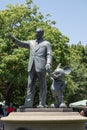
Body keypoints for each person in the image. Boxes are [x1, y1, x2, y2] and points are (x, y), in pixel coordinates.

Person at [8, 28, 52, 108]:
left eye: (38, 33)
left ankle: (42, 103)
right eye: (36, 32)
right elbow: (21, 43)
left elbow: (49, 54)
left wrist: (48, 63)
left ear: (42, 34)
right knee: (30, 85)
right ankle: (28, 104)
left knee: (42, 85)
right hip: (31, 66)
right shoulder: (31, 42)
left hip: (41, 66)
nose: (36, 34)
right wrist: (13, 39)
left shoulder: (46, 43)